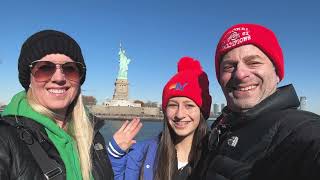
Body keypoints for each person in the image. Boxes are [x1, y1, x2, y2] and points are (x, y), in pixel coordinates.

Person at [190, 23, 320, 180]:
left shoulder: (302, 130)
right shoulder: (222, 124)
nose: (240, 74)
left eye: (253, 62)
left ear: (277, 73)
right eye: (229, 66)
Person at [0, 30, 114, 180]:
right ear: (29, 78)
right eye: (44, 68)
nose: (59, 78)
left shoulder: (93, 136)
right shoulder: (5, 137)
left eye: (69, 69)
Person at [107, 56, 212, 180]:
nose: (179, 114)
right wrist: (114, 156)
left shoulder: (216, 157)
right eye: (172, 105)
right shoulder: (140, 153)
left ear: (202, 111)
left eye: (189, 105)